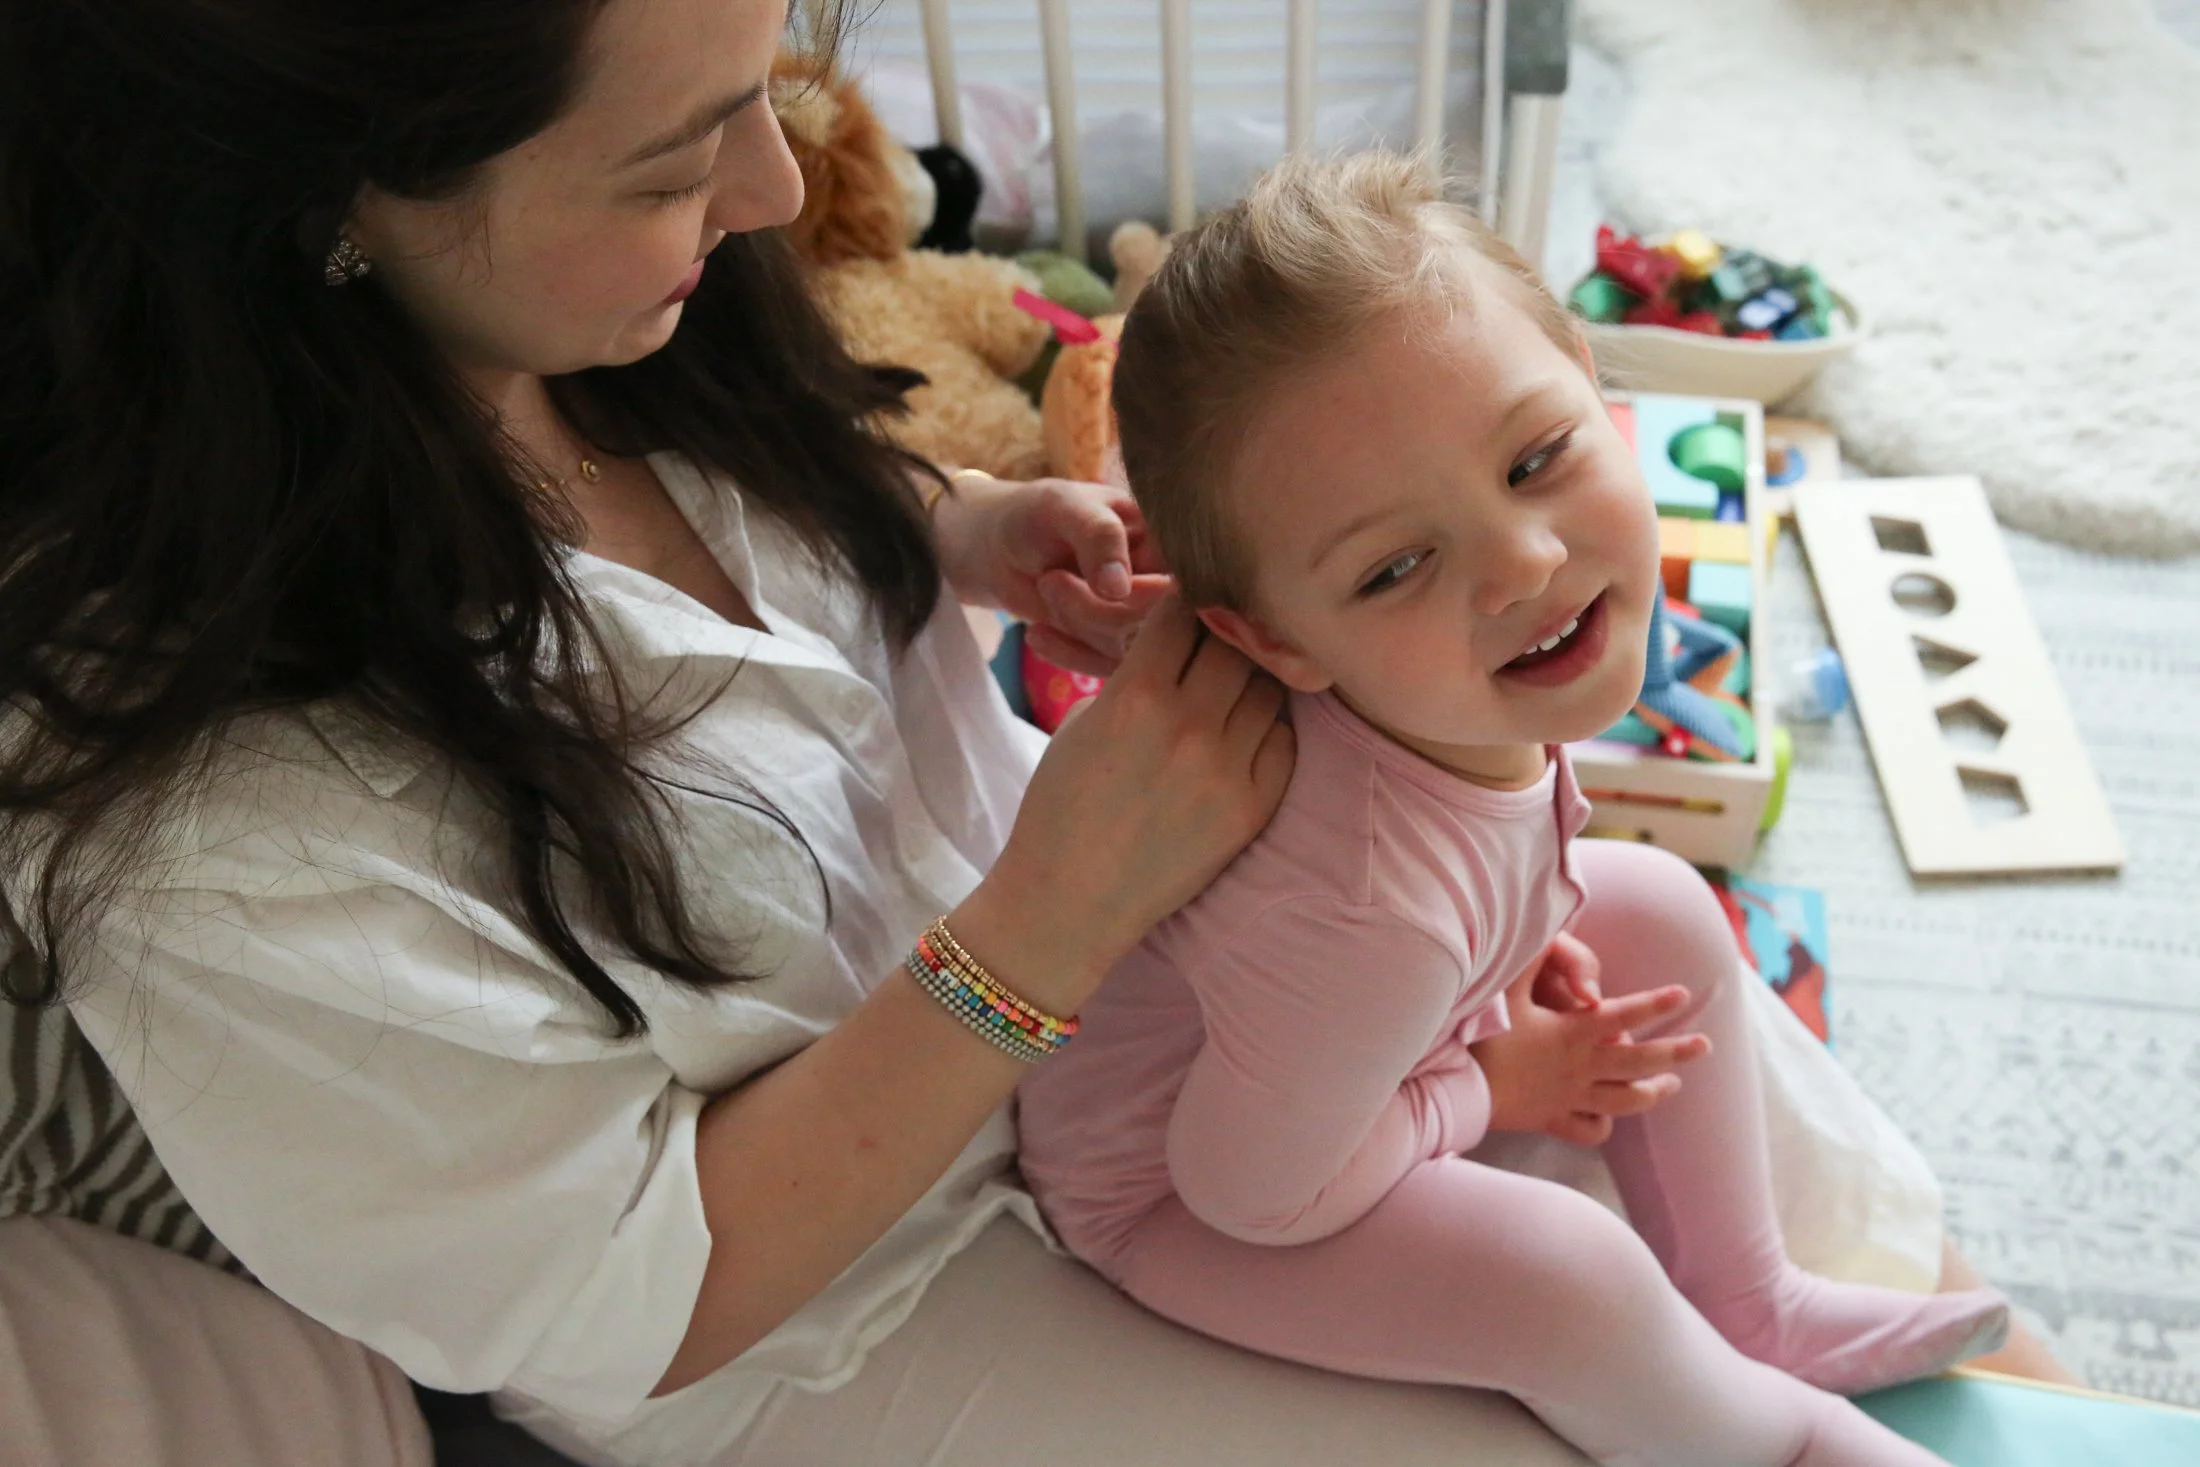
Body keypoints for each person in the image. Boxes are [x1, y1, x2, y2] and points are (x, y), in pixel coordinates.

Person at [0, 1, 2048, 1464]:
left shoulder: (610, 318)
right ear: (333, 208)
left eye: (766, 85)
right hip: (845, 1304)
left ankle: (1852, 1331)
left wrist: (970, 537)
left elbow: (770, 514)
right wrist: (1049, 931)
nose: (772, 184)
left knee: (1692, 1060)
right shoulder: (221, 819)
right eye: (668, 158)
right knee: (1564, 1332)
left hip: (1133, 986)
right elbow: (615, 1288)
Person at [1016, 154, 2008, 1467]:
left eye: (1537, 457)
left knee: (1654, 898)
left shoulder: (1418, 724)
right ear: (1278, 638)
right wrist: (1493, 1077)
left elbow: (1469, 888)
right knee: (1566, 1274)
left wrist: (1501, 965)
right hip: (1179, 1193)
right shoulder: (1371, 919)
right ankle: (1773, 1443)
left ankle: (1747, 1293)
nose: (1527, 563)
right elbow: (1255, 1193)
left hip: (1334, 1046)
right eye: (1396, 566)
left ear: (1599, 395)